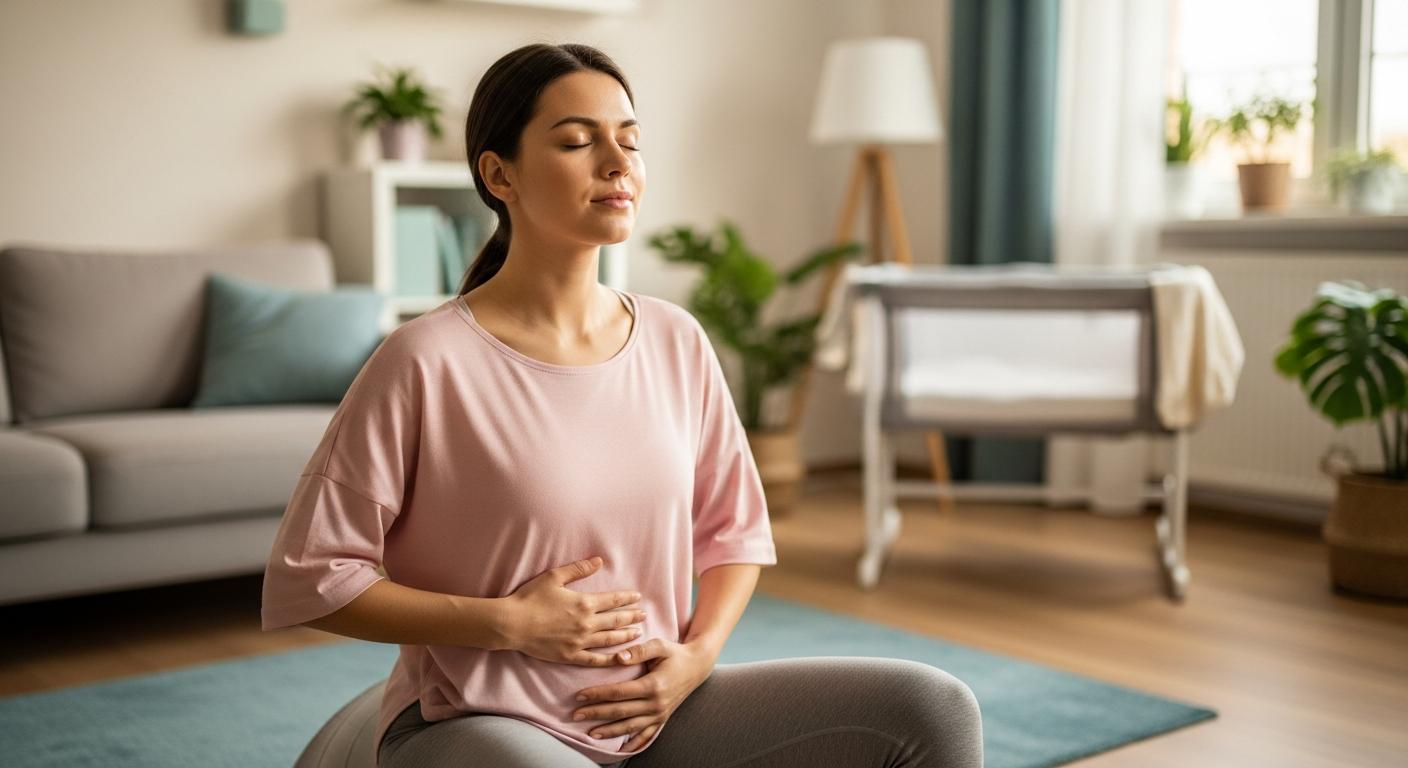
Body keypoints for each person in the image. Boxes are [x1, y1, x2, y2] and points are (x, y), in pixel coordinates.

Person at [260, 42, 983, 768]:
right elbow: (315, 576)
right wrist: (506, 624)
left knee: (932, 710)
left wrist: (695, 659)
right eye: (578, 140)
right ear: (498, 173)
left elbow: (735, 534)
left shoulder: (675, 339)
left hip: (656, 716)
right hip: (475, 721)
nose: (617, 161)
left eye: (630, 140)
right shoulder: (425, 360)